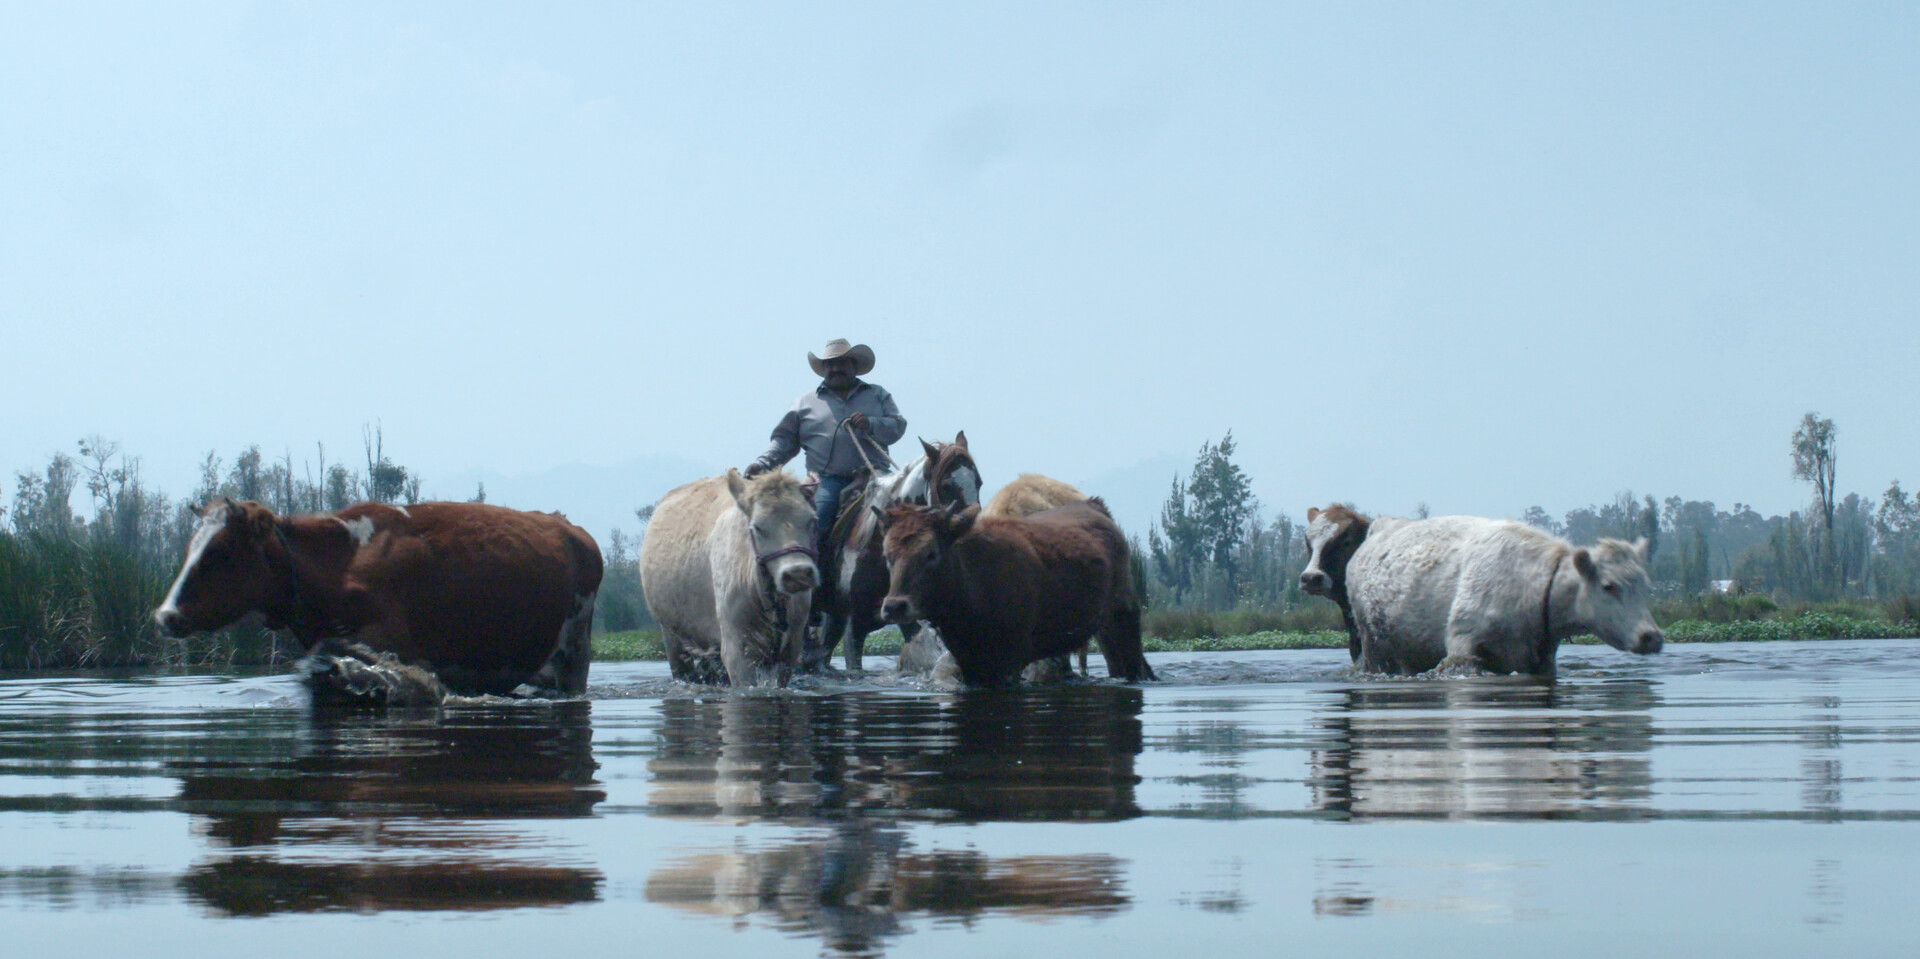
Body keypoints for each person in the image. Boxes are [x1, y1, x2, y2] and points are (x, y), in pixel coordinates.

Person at [745, 339, 907, 562]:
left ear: (853, 366)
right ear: (823, 369)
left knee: (908, 519)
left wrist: (871, 424)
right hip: (827, 480)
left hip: (876, 475)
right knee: (816, 525)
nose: (836, 369)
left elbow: (897, 427)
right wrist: (763, 464)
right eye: (830, 364)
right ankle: (816, 588)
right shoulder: (805, 403)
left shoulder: (877, 395)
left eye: (842, 363)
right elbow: (784, 441)